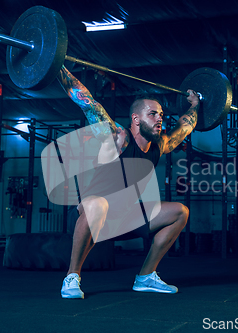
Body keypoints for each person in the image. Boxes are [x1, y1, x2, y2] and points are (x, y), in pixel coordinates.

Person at [57, 66, 199, 299]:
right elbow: (87, 102)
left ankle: (145, 276)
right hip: (91, 214)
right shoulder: (118, 138)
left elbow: (185, 127)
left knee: (180, 212)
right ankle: (72, 277)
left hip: (124, 218)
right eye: (153, 114)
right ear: (135, 119)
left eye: (161, 114)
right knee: (98, 204)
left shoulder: (159, 146)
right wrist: (57, 68)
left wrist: (195, 104)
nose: (160, 118)